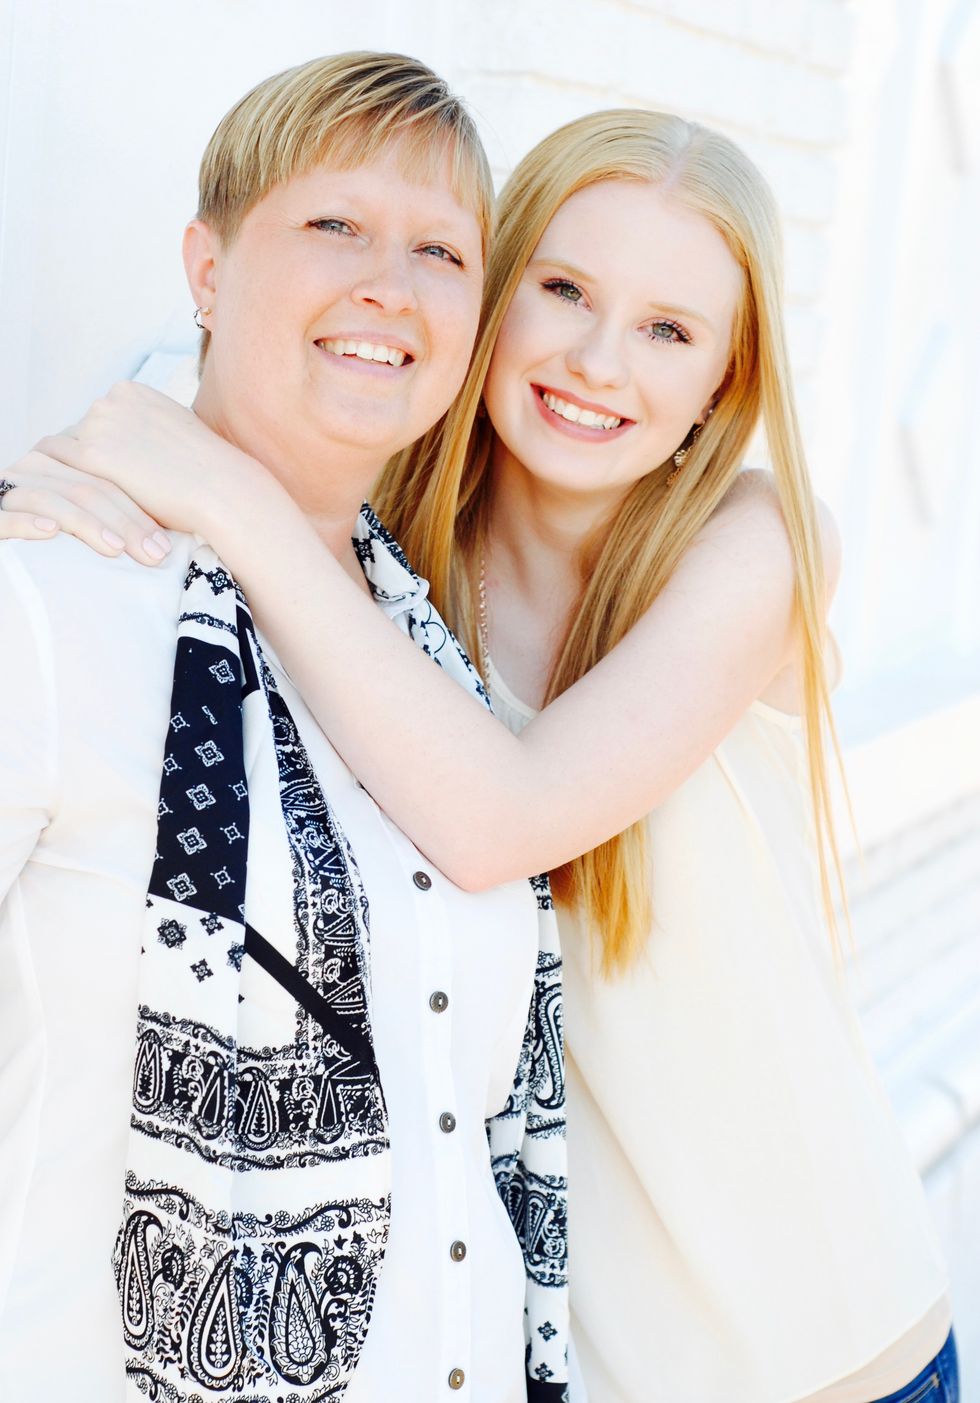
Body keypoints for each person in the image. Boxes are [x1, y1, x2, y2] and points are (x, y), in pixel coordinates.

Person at [2, 108, 957, 1403]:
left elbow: (505, 819)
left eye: (669, 331)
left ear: (720, 389)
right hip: (560, 1367)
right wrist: (63, 488)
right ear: (495, 301)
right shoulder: (382, 577)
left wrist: (217, 489)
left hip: (823, 1356)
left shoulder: (758, 545)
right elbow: (229, 398)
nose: (598, 362)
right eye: (564, 291)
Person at [0, 53, 571, 1403]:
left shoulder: (442, 662)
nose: (391, 284)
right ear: (206, 269)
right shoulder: (47, 599)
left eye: (440, 250)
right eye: (336, 223)